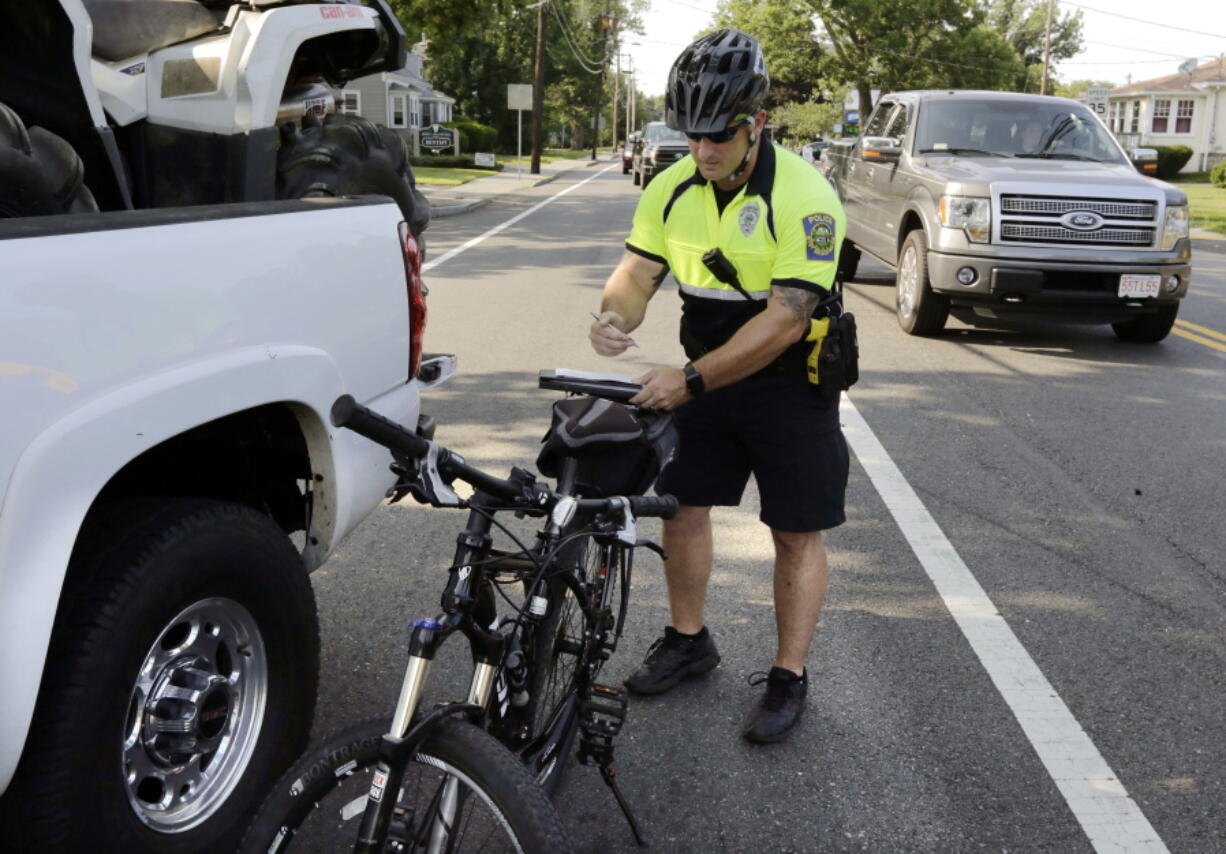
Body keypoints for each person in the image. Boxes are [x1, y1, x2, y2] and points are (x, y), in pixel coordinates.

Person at [588, 28, 849, 744]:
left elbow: (785, 322)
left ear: (756, 123)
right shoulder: (671, 189)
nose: (703, 150)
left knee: (795, 532)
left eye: (720, 135)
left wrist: (688, 380)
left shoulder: (807, 195)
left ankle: (788, 676)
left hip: (787, 383)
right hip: (701, 376)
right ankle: (688, 639)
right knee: (683, 508)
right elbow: (636, 276)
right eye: (692, 134)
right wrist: (612, 316)